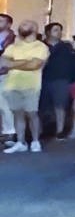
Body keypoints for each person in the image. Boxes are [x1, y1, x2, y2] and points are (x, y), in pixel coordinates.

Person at [0, 20, 50, 152]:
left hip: (31, 85)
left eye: (25, 24)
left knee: (32, 113)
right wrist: (26, 62)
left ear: (34, 28)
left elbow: (35, 65)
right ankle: (21, 142)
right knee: (18, 114)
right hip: (12, 85)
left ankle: (35, 141)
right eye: (21, 25)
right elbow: (3, 62)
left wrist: (13, 63)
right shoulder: (13, 47)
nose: (21, 26)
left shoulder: (40, 47)